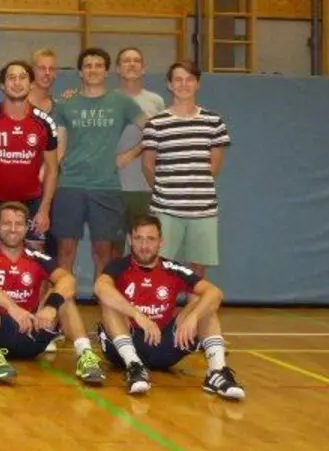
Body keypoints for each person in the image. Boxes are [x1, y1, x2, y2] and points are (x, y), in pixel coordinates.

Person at [92, 215, 245, 400]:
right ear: (130, 241)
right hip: (126, 343)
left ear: (160, 242)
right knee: (109, 303)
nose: (144, 245)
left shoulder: (172, 268)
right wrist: (138, 315)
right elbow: (100, 287)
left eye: (151, 239)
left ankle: (217, 371)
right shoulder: (119, 266)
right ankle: (134, 366)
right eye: (139, 238)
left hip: (163, 345)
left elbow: (215, 292)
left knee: (203, 302)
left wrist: (193, 317)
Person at [0, 202, 102, 384]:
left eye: (19, 224)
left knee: (64, 295)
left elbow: (68, 280)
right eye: (7, 223)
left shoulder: (38, 257)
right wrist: (13, 308)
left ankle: (86, 355)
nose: (13, 229)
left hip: (32, 328)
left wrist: (50, 307)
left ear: (27, 228)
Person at [50, 47, 147, 287]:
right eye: (88, 66)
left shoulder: (121, 102)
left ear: (106, 71)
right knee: (65, 252)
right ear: (80, 72)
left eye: (98, 66)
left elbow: (153, 130)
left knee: (104, 253)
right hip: (70, 186)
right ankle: (62, 312)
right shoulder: (66, 104)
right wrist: (59, 167)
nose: (93, 70)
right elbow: (59, 144)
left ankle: (106, 314)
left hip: (106, 187)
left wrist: (131, 153)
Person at [140, 61, 230, 276]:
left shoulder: (213, 121)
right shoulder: (156, 123)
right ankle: (159, 309)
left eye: (189, 79)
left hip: (203, 209)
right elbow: (147, 166)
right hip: (165, 209)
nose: (184, 84)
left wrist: (194, 188)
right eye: (178, 79)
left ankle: (194, 310)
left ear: (197, 84)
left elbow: (215, 165)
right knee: (161, 265)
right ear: (169, 85)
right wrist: (167, 192)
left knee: (198, 269)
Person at [0, 60, 57, 246]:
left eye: (22, 78)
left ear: (31, 84)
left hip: (32, 202)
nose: (17, 83)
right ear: (2, 85)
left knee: (35, 261)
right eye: (11, 78)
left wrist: (44, 209)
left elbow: (52, 168)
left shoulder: (44, 123)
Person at [114, 47, 168, 231]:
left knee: (143, 247)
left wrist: (131, 154)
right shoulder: (107, 100)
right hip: (112, 186)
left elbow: (159, 136)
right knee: (111, 252)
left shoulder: (156, 101)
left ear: (144, 68)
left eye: (136, 61)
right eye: (126, 60)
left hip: (143, 187)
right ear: (117, 69)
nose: (131, 64)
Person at [28, 48, 59, 115]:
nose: (47, 73)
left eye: (51, 69)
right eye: (42, 68)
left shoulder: (58, 109)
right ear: (32, 71)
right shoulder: (19, 104)